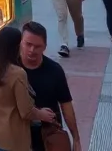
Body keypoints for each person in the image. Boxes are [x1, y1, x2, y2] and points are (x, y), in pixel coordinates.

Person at [0, 26, 55, 151]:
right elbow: (26, 111)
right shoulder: (17, 74)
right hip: (12, 141)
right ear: (17, 46)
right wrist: (42, 114)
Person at [20, 22, 82, 151]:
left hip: (49, 137)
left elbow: (66, 105)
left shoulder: (54, 71)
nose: (32, 50)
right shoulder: (12, 69)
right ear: (21, 42)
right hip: (19, 136)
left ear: (45, 47)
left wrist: (76, 138)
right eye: (28, 44)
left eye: (37, 46)